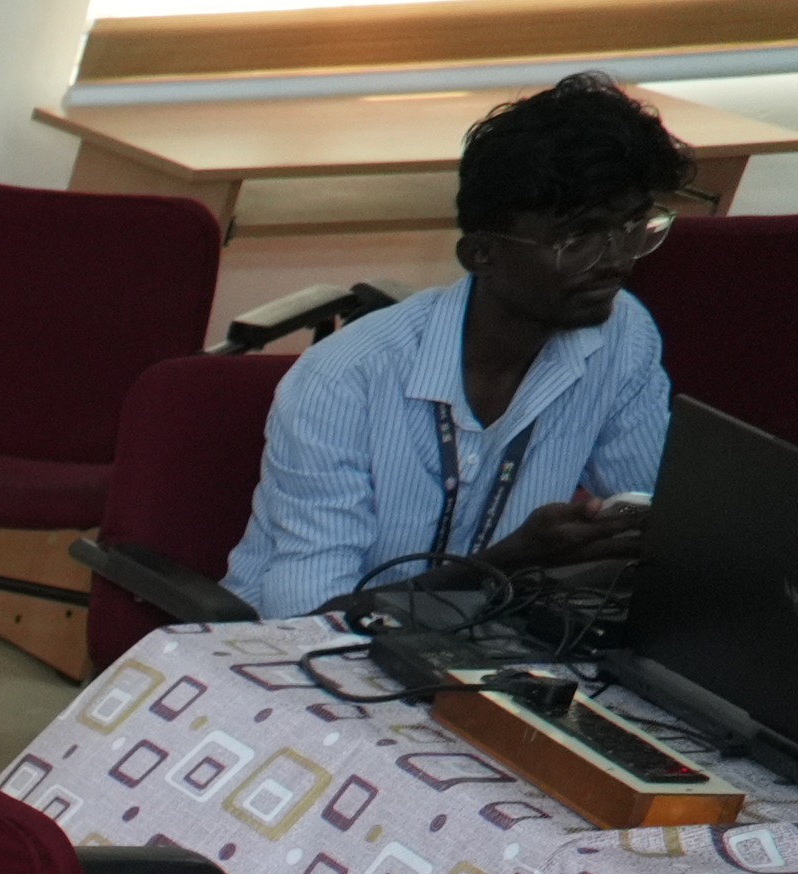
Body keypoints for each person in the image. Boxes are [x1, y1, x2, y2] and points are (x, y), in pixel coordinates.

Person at [228, 72, 690, 614]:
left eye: (634, 227)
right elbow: (306, 622)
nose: (616, 261)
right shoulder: (342, 380)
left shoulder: (621, 333)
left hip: (489, 641)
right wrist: (508, 563)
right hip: (294, 662)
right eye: (579, 238)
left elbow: (660, 519)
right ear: (480, 256)